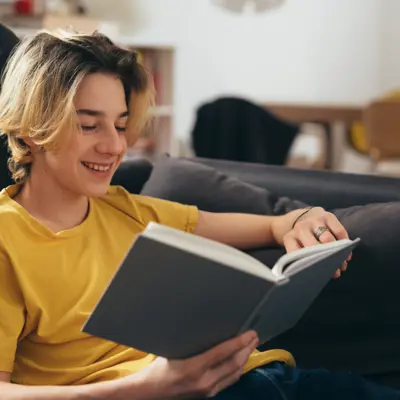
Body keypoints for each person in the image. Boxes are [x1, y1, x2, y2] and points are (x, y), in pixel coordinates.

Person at [0, 29, 396, 400]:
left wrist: (297, 221)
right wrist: (143, 388)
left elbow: (259, 225)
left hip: (267, 379)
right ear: (33, 128)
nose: (114, 146)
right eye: (89, 126)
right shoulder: (8, 236)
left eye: (120, 126)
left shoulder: (124, 208)